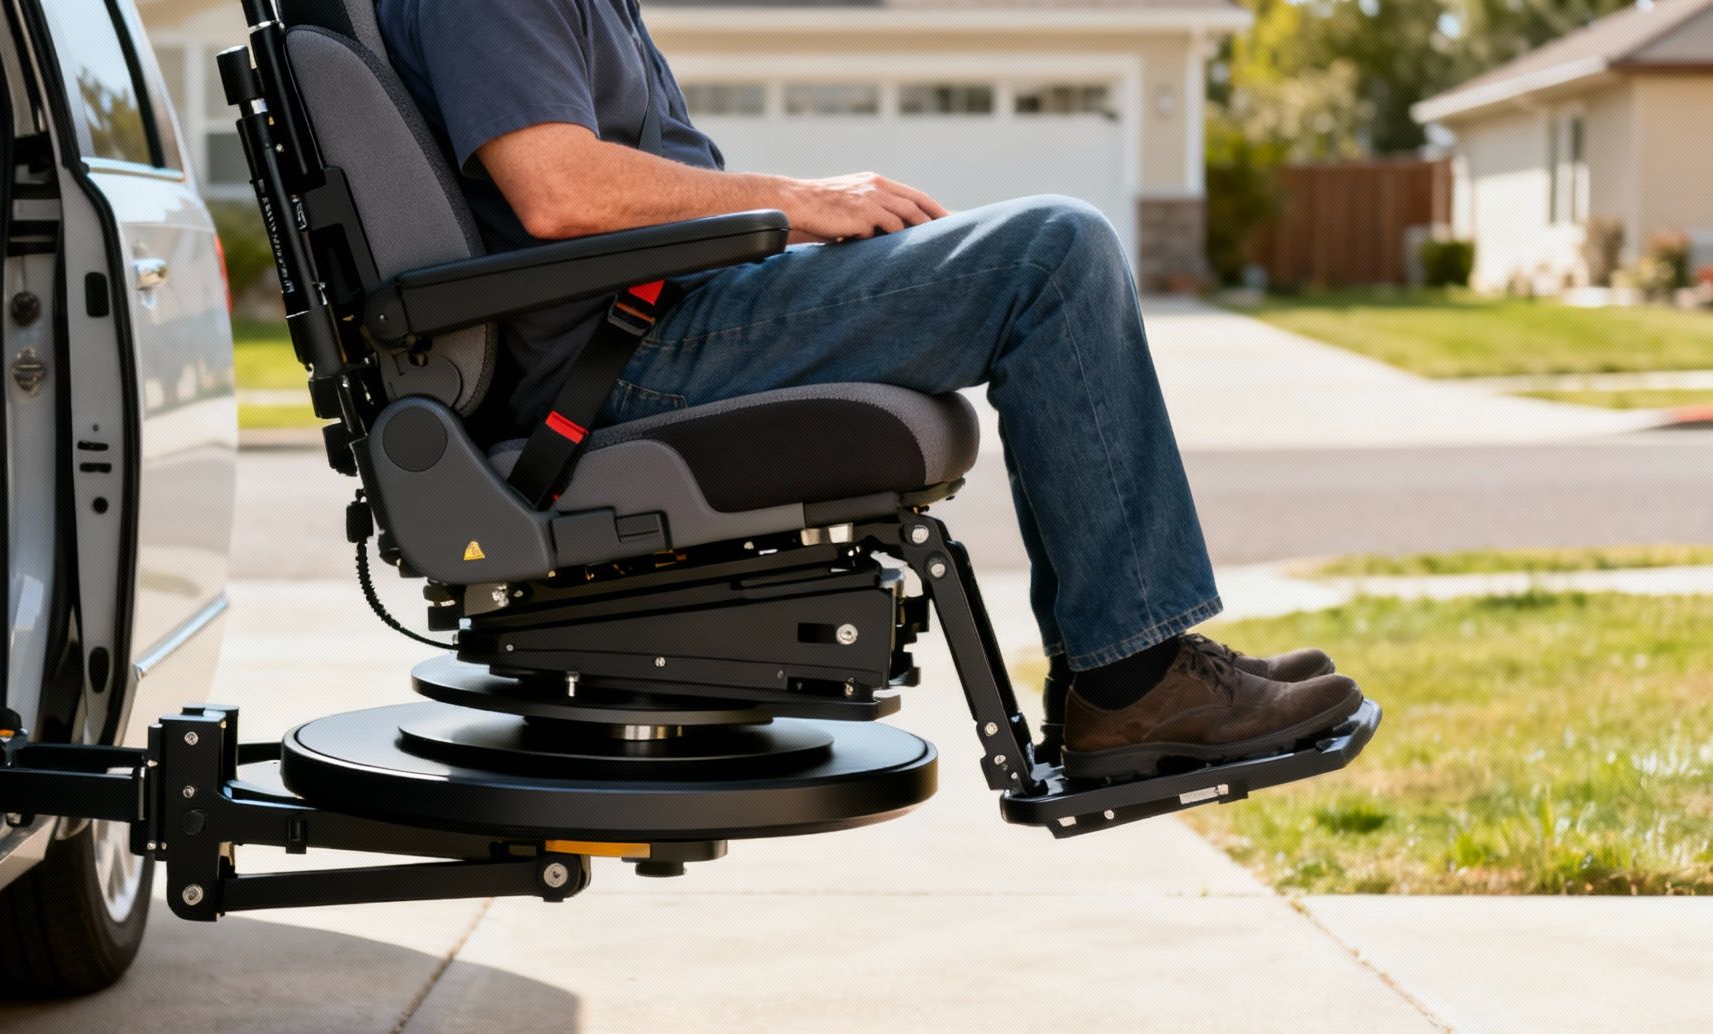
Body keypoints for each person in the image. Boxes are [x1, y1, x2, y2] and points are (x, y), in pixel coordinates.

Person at [377, 0, 1362, 780]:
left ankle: (1134, 666)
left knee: (1040, 248)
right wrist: (799, 202)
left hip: (671, 316)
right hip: (626, 360)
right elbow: (561, 191)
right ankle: (1134, 677)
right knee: (1053, 252)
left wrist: (801, 211)